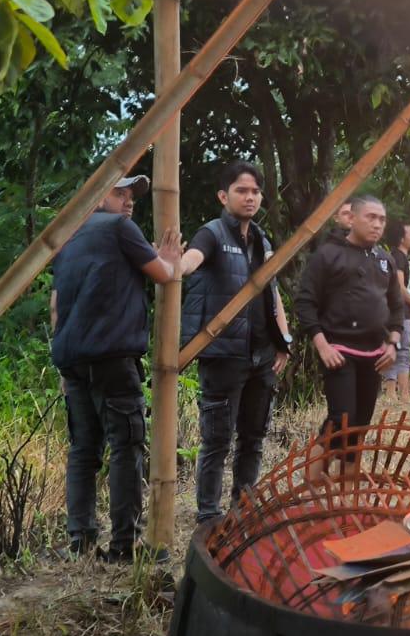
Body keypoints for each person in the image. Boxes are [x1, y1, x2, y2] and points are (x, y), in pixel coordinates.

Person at [49, 174, 182, 560]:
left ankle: (81, 540)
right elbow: (162, 274)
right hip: (112, 357)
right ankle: (125, 544)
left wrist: (60, 364)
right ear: (97, 197)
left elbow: (57, 306)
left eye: (131, 196)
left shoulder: (67, 237)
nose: (128, 202)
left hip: (72, 357)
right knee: (126, 445)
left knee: (83, 448)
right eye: (119, 193)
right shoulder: (120, 228)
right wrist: (170, 261)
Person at [178, 161, 294, 525]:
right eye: (242, 190)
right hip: (223, 355)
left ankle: (243, 510)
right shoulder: (211, 234)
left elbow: (272, 292)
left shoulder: (261, 239)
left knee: (253, 438)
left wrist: (283, 342)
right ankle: (209, 516)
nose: (250, 197)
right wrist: (174, 265)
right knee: (216, 441)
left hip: (261, 356)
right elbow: (190, 262)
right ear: (223, 195)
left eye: (255, 191)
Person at [295, 194, 404, 454]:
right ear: (352, 218)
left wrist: (393, 344)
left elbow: (397, 307)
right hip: (339, 351)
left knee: (359, 429)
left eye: (382, 219)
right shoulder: (328, 255)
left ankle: (347, 492)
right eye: (371, 217)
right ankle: (310, 483)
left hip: (375, 354)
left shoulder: (384, 259)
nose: (377, 224)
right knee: (341, 420)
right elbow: (305, 302)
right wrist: (322, 346)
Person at [381, 219, 410, 404]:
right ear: (402, 238)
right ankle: (392, 393)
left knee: (402, 350)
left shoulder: (397, 256)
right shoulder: (397, 257)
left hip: (401, 311)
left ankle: (403, 395)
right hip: (398, 311)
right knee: (398, 349)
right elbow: (399, 285)